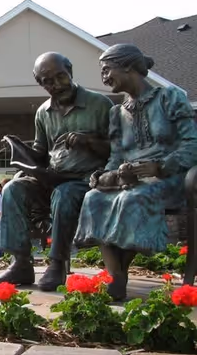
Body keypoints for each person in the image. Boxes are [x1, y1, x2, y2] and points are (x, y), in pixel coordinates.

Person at [74, 44, 197, 301]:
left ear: (128, 67)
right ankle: (116, 275)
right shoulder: (117, 113)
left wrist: (160, 167)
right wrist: (105, 175)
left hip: (169, 178)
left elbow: (192, 144)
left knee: (134, 198)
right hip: (129, 181)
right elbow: (116, 156)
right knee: (93, 197)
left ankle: (119, 276)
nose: (104, 77)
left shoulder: (170, 98)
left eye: (107, 70)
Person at [0, 52, 114, 291]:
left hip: (86, 181)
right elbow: (41, 152)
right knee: (13, 188)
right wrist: (21, 149)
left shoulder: (99, 105)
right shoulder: (42, 113)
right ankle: (21, 263)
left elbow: (119, 147)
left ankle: (57, 263)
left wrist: (89, 142)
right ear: (41, 83)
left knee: (65, 193)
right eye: (48, 81)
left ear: (71, 72)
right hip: (52, 178)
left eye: (61, 77)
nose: (56, 85)